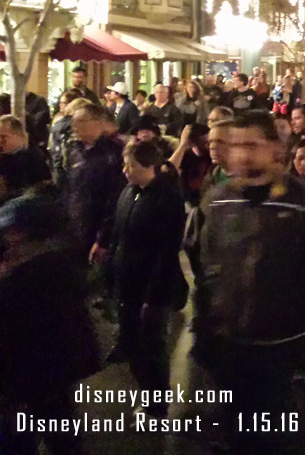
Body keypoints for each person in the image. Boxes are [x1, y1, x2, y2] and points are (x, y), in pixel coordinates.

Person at [185, 112, 305, 452]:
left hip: (277, 341)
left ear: (273, 149)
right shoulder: (217, 199)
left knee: (270, 430)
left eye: (251, 145)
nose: (242, 154)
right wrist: (203, 325)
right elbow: (207, 267)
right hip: (228, 338)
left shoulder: (300, 200)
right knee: (233, 427)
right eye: (235, 145)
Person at [0, 192, 101, 455]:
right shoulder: (55, 259)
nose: (9, 236)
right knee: (59, 420)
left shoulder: (35, 271)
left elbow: (18, 326)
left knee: (51, 424)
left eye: (13, 230)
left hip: (40, 367)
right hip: (55, 365)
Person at [95, 140, 187, 422]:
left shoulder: (167, 199)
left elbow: (166, 252)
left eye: (131, 165)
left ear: (151, 167)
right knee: (132, 343)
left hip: (149, 288)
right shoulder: (130, 192)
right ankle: (147, 395)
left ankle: (157, 405)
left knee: (152, 348)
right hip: (126, 281)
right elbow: (117, 227)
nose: (126, 171)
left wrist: (154, 297)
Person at [66, 104, 127, 262]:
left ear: (98, 122)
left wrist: (103, 239)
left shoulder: (113, 153)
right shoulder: (74, 150)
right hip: (76, 228)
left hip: (100, 229)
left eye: (80, 121)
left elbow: (115, 197)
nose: (74, 126)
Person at [0, 115, 51, 203]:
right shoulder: (5, 158)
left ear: (18, 135)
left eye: (4, 137)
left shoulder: (33, 159)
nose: (0, 141)